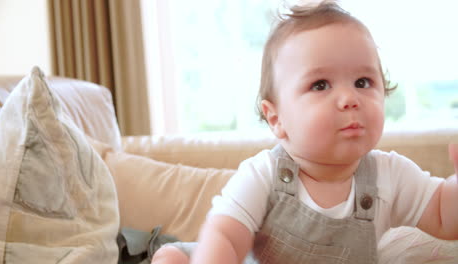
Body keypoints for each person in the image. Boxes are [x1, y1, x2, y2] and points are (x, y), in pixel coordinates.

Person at [152, 1, 458, 263]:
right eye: (320, 85)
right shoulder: (264, 174)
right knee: (173, 257)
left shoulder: (391, 175)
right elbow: (227, 236)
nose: (349, 98)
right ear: (276, 119)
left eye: (363, 82)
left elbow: (445, 218)